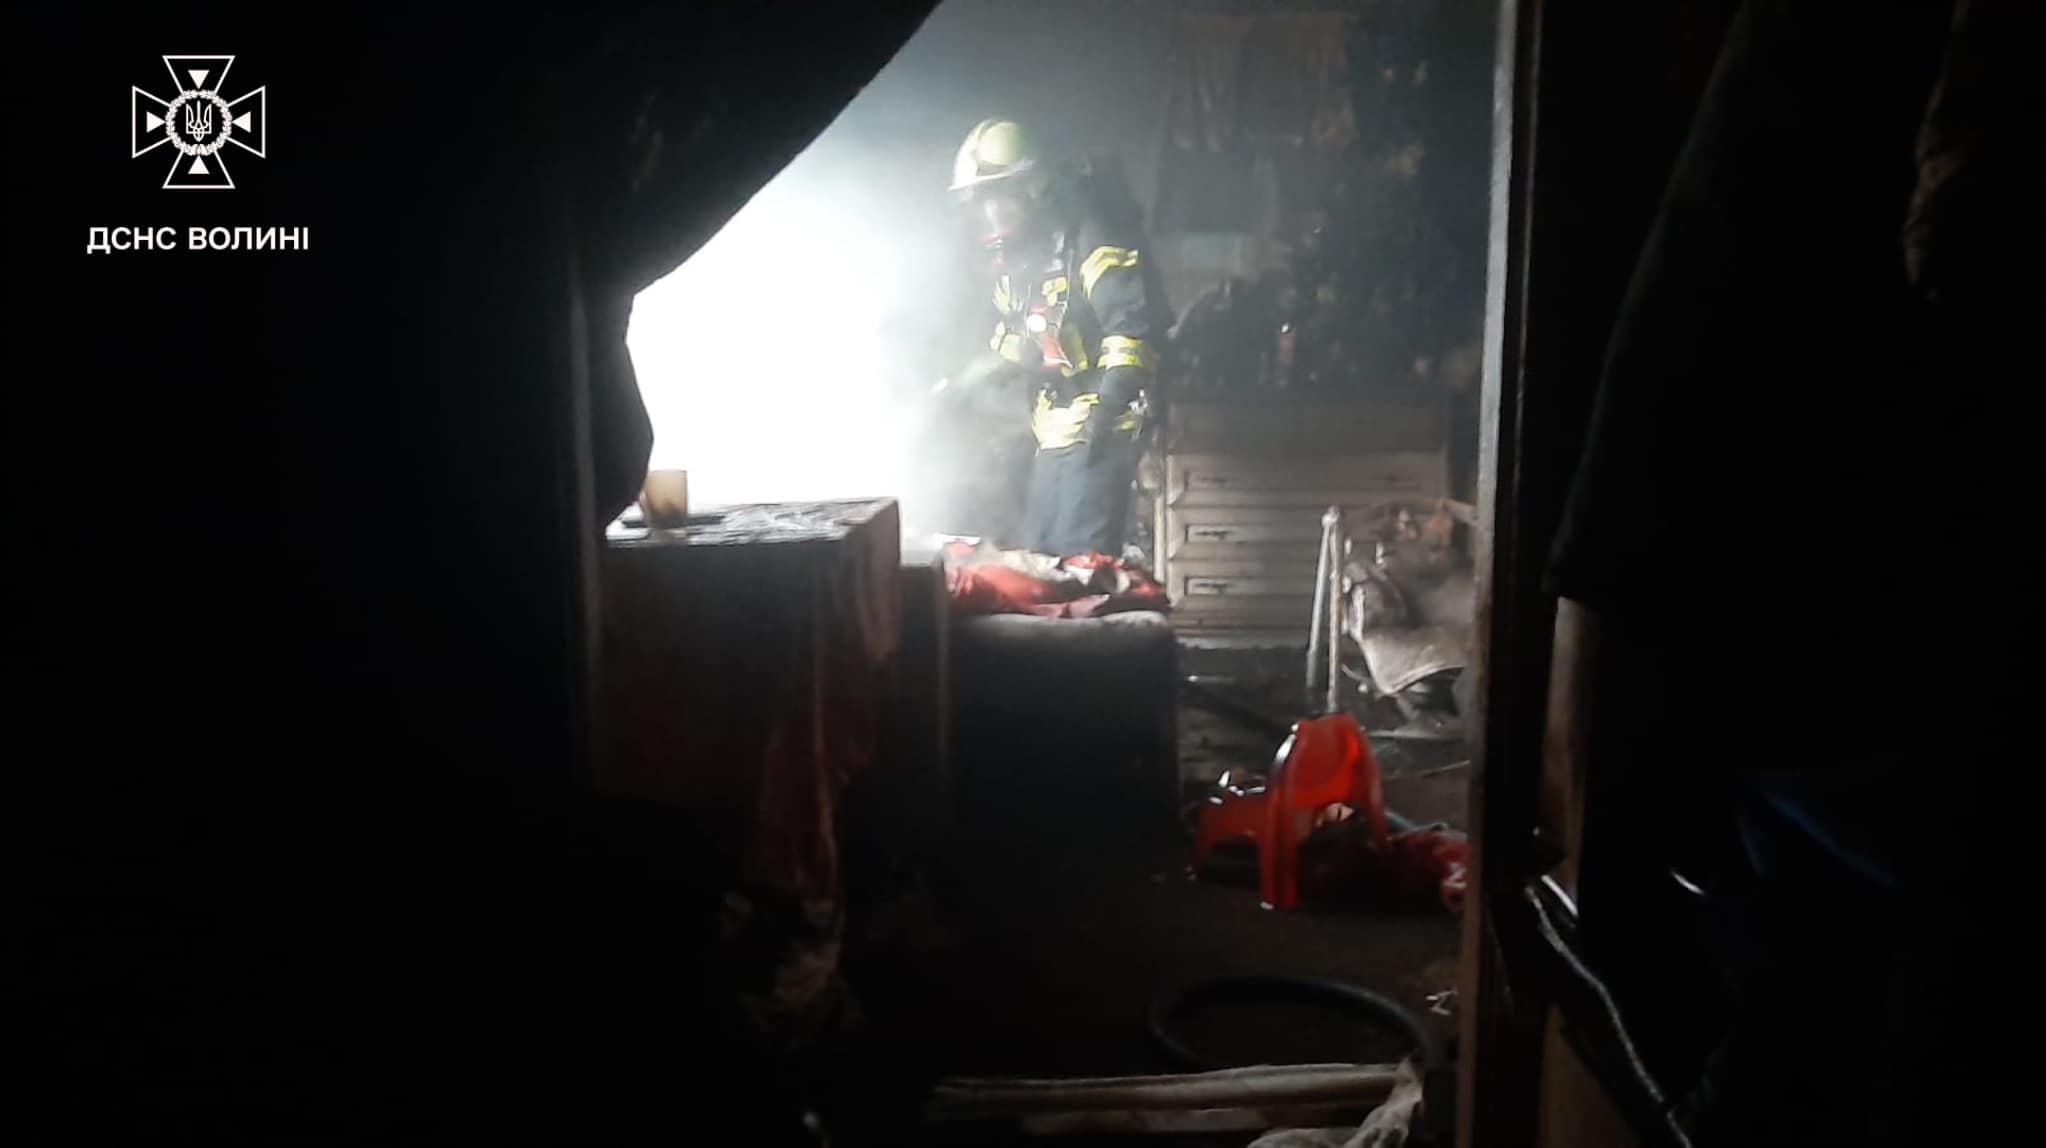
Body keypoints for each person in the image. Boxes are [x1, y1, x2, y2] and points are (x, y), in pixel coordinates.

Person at [949, 117, 1171, 557]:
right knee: (1043, 556)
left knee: (1079, 562)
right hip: (1055, 428)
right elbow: (1022, 337)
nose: (992, 215)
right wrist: (971, 380)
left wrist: (1105, 412)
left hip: (1102, 428)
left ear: (1033, 188)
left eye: (1000, 198)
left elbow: (1133, 332)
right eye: (983, 203)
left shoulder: (1091, 238)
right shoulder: (1023, 257)